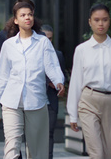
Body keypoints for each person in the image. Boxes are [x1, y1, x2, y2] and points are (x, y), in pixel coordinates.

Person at [0, 1, 65, 159]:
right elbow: (2, 75)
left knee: (36, 150)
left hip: (36, 101)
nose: (27, 18)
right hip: (11, 102)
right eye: (23, 15)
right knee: (12, 146)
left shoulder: (43, 42)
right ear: (16, 20)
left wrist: (58, 81)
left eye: (30, 14)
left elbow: (51, 65)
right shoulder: (8, 45)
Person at [66, 3, 111, 159]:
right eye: (96, 20)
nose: (100, 24)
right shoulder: (81, 50)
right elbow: (76, 81)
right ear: (89, 22)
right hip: (88, 101)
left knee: (109, 154)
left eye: (104, 20)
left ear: (109, 21)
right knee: (97, 154)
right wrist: (72, 114)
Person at [41, 24, 67, 159]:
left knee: (49, 133)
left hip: (51, 101)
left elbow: (64, 76)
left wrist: (59, 83)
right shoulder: (32, 53)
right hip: (36, 100)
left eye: (50, 39)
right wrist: (47, 82)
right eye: (45, 38)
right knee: (33, 134)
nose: (47, 41)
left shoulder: (58, 55)